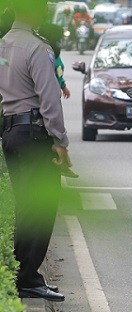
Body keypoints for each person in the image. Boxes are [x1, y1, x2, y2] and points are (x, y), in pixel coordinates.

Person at [0, 0, 74, 301]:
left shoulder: (3, 45)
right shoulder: (37, 47)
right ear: (34, 11)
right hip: (33, 135)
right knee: (40, 208)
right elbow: (50, 99)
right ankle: (27, 278)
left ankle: (23, 275)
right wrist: (60, 142)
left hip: (10, 134)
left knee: (25, 208)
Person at [37, 23, 79, 179]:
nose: (61, 42)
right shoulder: (45, 54)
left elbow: (58, 74)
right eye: (59, 39)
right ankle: (62, 161)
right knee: (54, 130)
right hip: (46, 101)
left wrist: (63, 86)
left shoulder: (53, 55)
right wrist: (61, 141)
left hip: (52, 96)